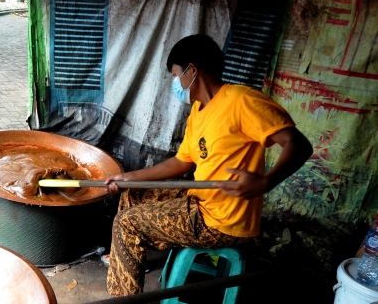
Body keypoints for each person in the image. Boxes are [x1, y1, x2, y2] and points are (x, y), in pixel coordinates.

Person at [103, 34, 313, 297]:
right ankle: (130, 262)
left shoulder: (241, 100)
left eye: (175, 74)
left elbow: (299, 144)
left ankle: (124, 301)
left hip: (222, 220)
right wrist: (130, 177)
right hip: (202, 201)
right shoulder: (199, 110)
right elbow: (182, 161)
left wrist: (265, 182)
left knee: (126, 223)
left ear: (192, 70)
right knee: (133, 192)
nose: (175, 82)